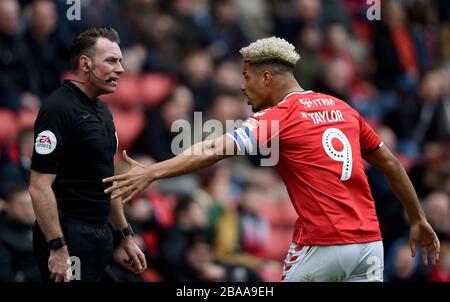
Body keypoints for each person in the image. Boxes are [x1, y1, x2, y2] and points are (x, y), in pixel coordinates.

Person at [104, 37, 440, 282]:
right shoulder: (343, 108)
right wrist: (417, 218)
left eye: (247, 78)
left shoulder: (279, 117)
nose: (242, 87)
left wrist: (152, 172)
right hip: (368, 244)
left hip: (322, 245)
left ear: (267, 78)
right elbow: (393, 165)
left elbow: (213, 149)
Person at [29, 26, 146, 282]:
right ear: (86, 63)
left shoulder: (103, 111)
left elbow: (107, 180)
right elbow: (39, 187)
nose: (121, 69)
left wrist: (125, 236)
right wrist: (57, 246)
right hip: (69, 237)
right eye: (112, 61)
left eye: (121, 61)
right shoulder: (57, 109)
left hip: (99, 236)